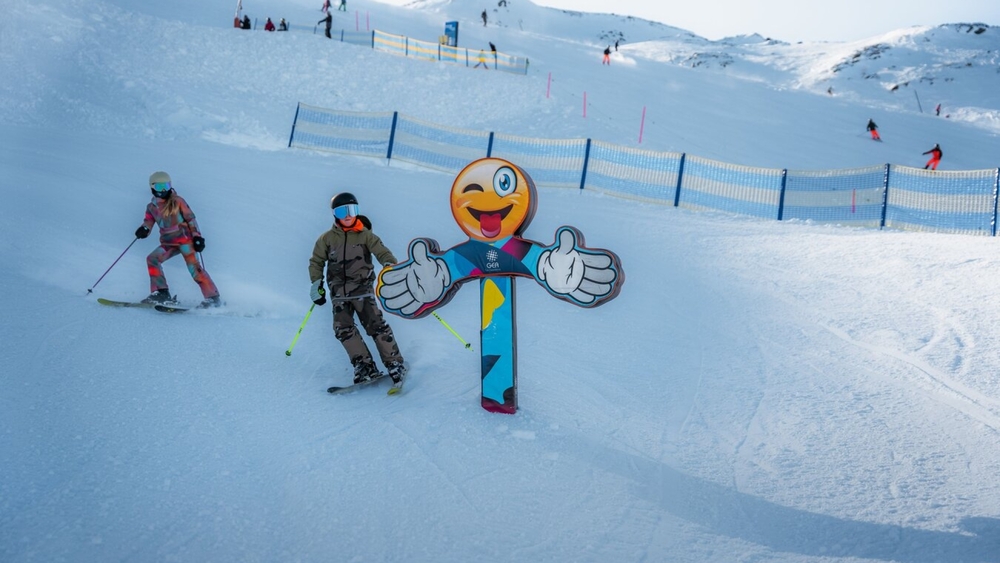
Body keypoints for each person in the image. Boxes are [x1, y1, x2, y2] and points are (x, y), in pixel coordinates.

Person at [309, 193, 406, 385]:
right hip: (338, 293)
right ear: (334, 214)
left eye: (352, 210)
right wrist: (316, 283)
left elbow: (383, 253)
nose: (347, 215)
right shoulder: (326, 239)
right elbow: (316, 261)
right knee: (342, 328)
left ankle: (394, 363)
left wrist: (389, 265)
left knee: (376, 325)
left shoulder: (366, 235)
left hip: (363, 290)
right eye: (341, 211)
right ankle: (364, 366)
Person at [135, 172, 222, 308]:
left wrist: (197, 237)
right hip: (168, 243)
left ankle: (213, 299)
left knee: (195, 269)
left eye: (166, 186)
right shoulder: (151, 207)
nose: (163, 190)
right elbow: (148, 222)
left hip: (186, 241)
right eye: (159, 186)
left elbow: (190, 219)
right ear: (152, 187)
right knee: (152, 259)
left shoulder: (178, 201)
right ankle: (161, 292)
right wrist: (144, 230)